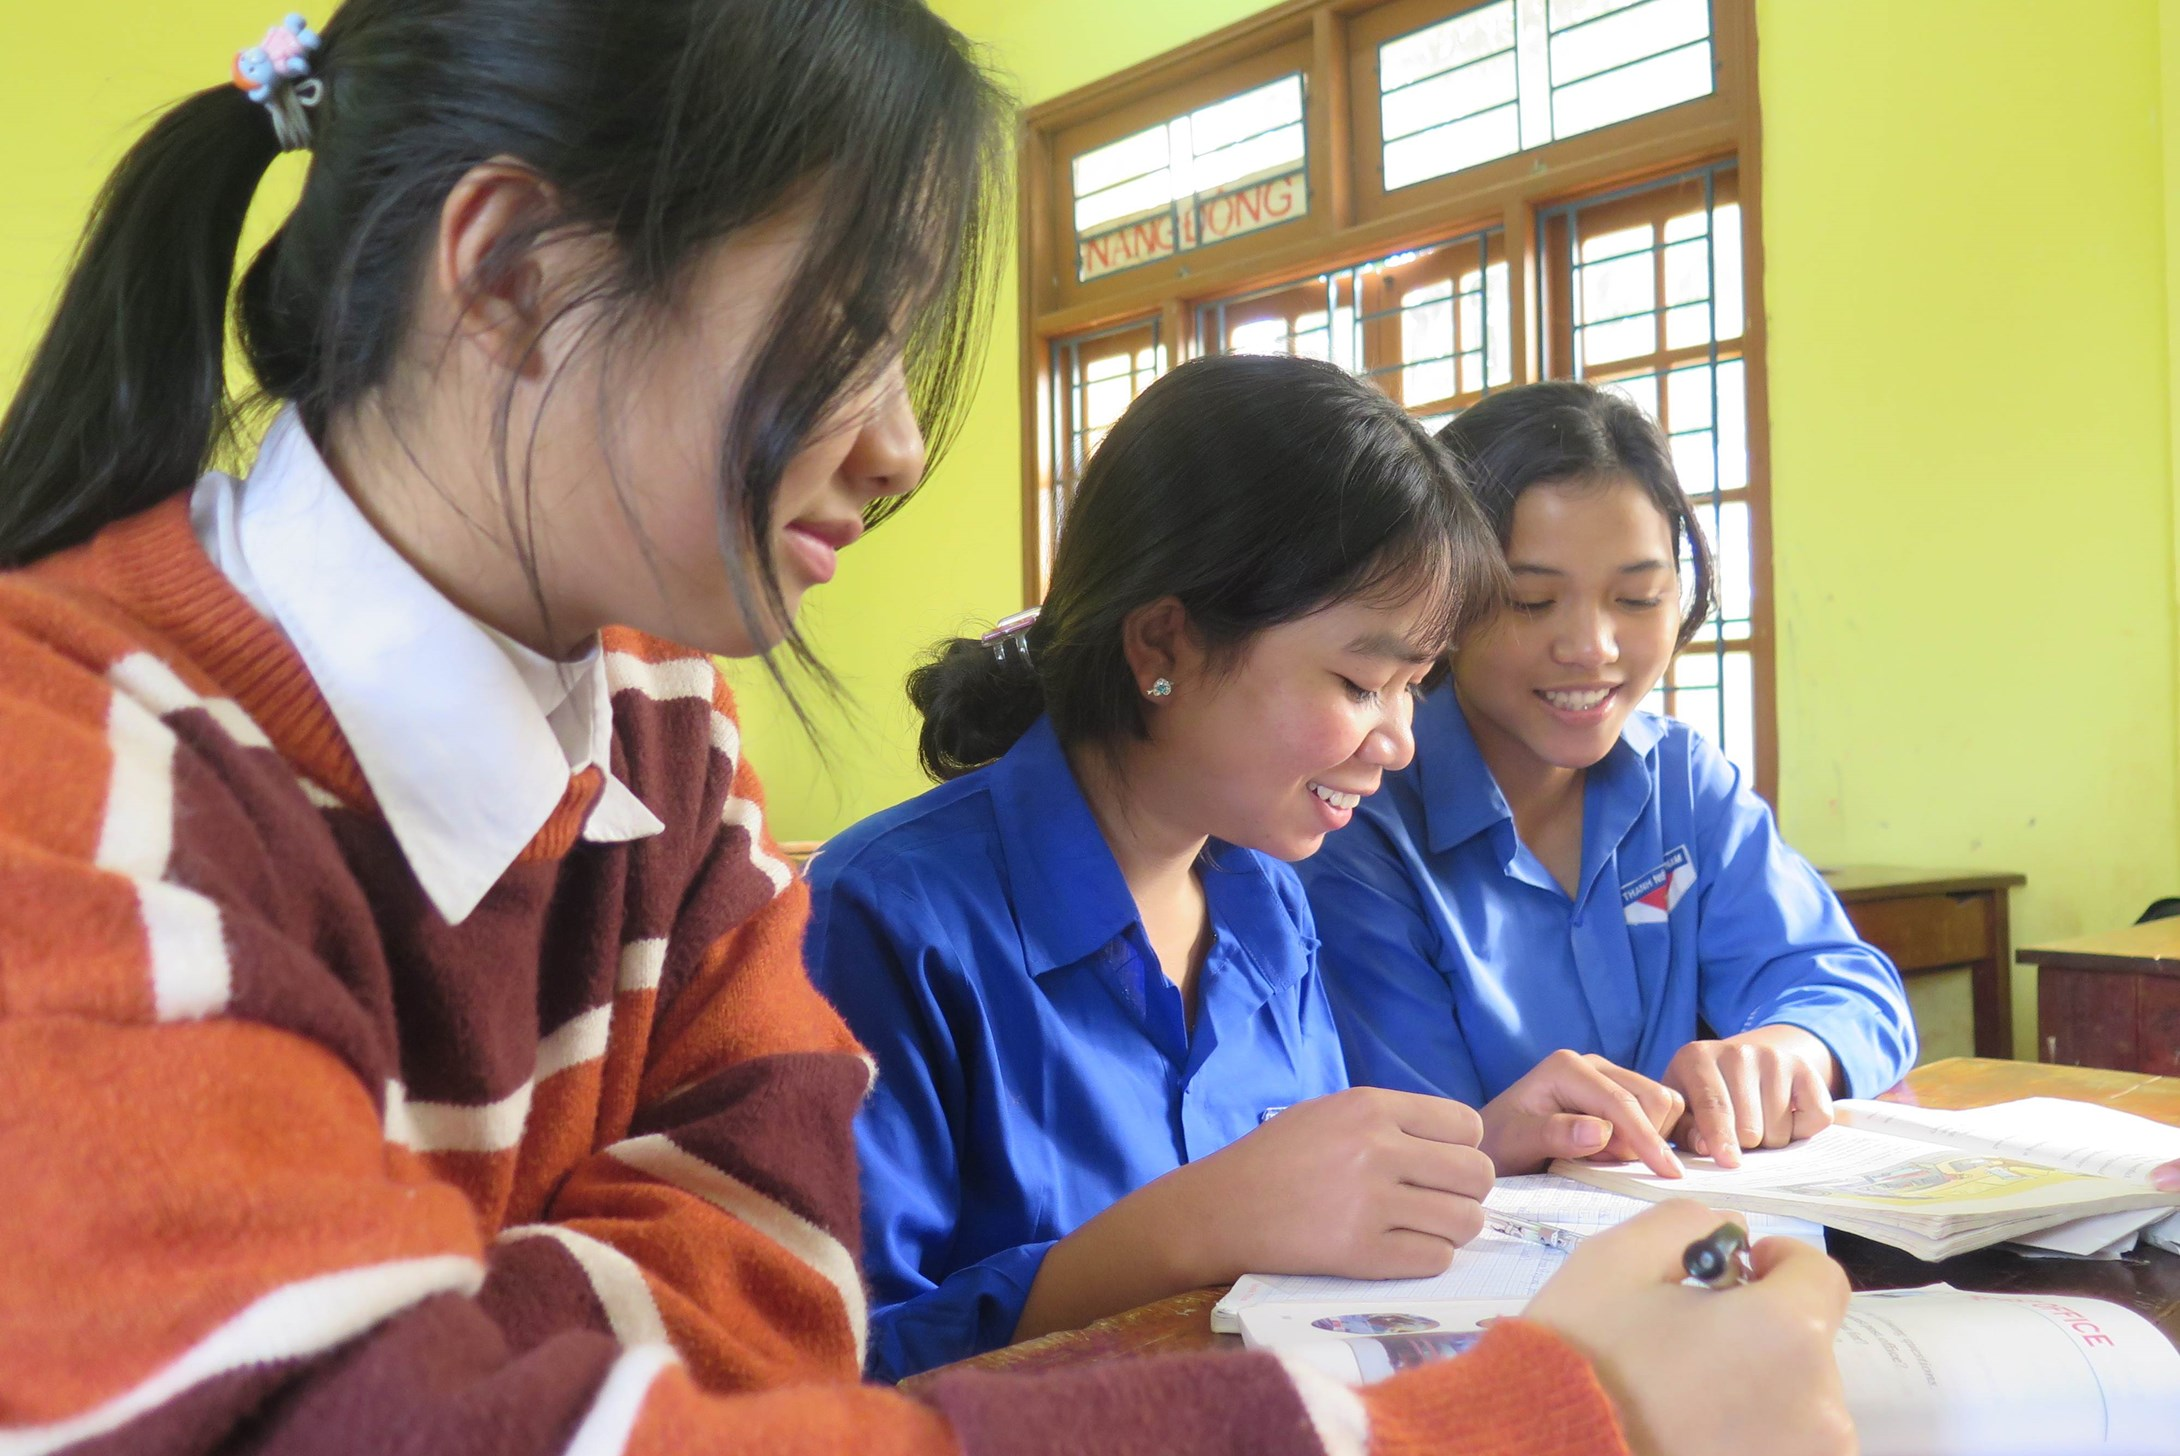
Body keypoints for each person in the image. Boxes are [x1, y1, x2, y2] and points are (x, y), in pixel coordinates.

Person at [0, 3, 1858, 1453]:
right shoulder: (73, 784)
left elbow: (775, 1307)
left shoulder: (659, 735)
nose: (895, 447)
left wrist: (539, 1356)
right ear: (510, 277)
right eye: (843, 330)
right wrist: (1557, 1416)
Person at [815, 353, 1695, 1380]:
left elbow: (1293, 1249)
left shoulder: (1265, 901)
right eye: (1360, 680)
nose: (1398, 738)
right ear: (1164, 645)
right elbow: (818, 1373)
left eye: (1416, 684)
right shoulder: (882, 921)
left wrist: (1474, 1154)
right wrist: (1187, 1229)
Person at [1301, 381, 1917, 1167]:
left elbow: (1845, 982)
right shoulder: (1362, 819)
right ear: (1440, 601)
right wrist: (1505, 1135)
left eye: (1637, 596)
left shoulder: (1682, 782)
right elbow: (1407, 1136)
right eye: (1530, 602)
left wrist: (1787, 1050)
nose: (1592, 646)